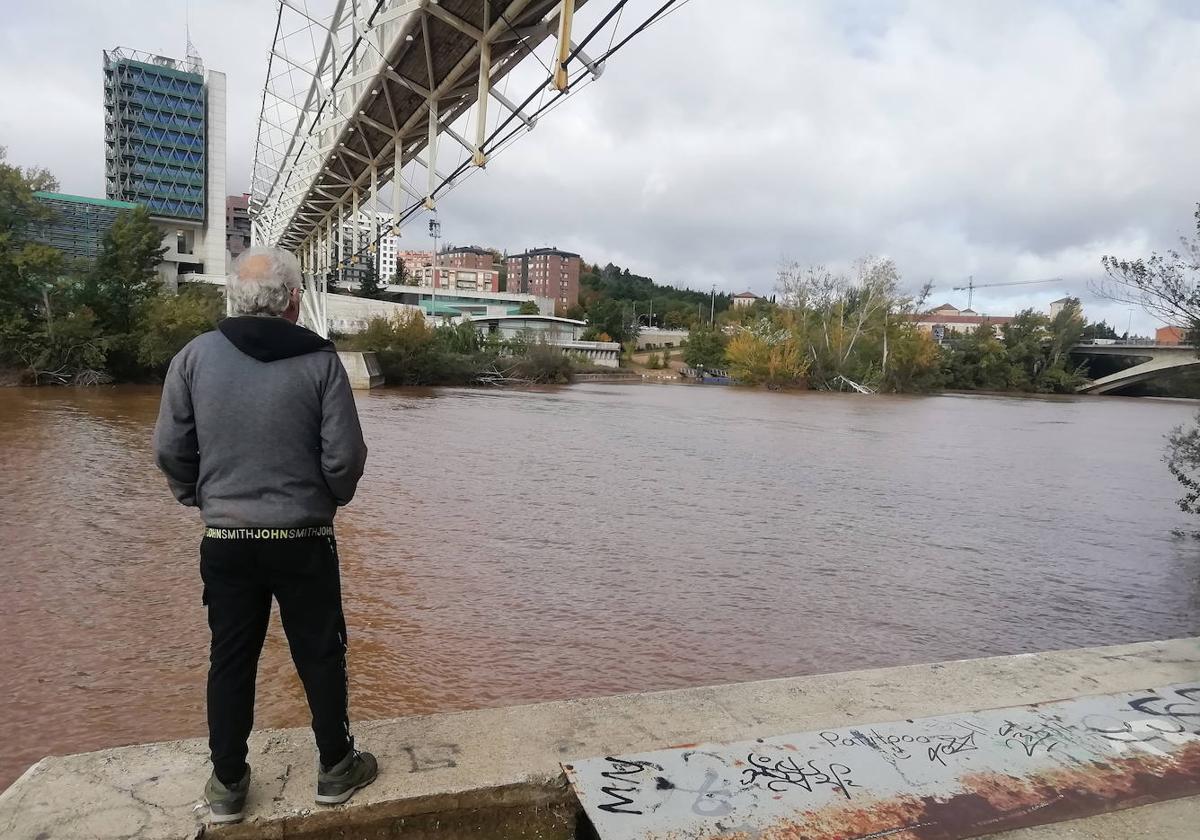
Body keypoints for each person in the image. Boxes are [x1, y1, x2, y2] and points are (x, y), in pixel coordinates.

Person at [153, 247, 376, 824]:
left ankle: (228, 782)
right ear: (293, 301)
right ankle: (335, 766)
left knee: (230, 657)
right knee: (320, 653)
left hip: (226, 540)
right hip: (302, 536)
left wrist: (201, 498)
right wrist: (327, 500)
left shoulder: (194, 357)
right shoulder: (321, 362)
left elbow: (170, 449)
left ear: (235, 298)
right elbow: (345, 457)